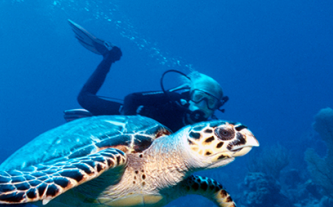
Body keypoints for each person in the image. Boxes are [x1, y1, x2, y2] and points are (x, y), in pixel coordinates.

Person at [68, 20, 229, 132]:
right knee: (83, 98)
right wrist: (130, 131)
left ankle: (96, 119)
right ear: (190, 94)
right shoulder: (174, 99)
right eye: (199, 96)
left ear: (216, 107)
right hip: (131, 115)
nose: (202, 105)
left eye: (211, 102)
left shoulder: (204, 130)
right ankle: (108, 55)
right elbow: (131, 98)